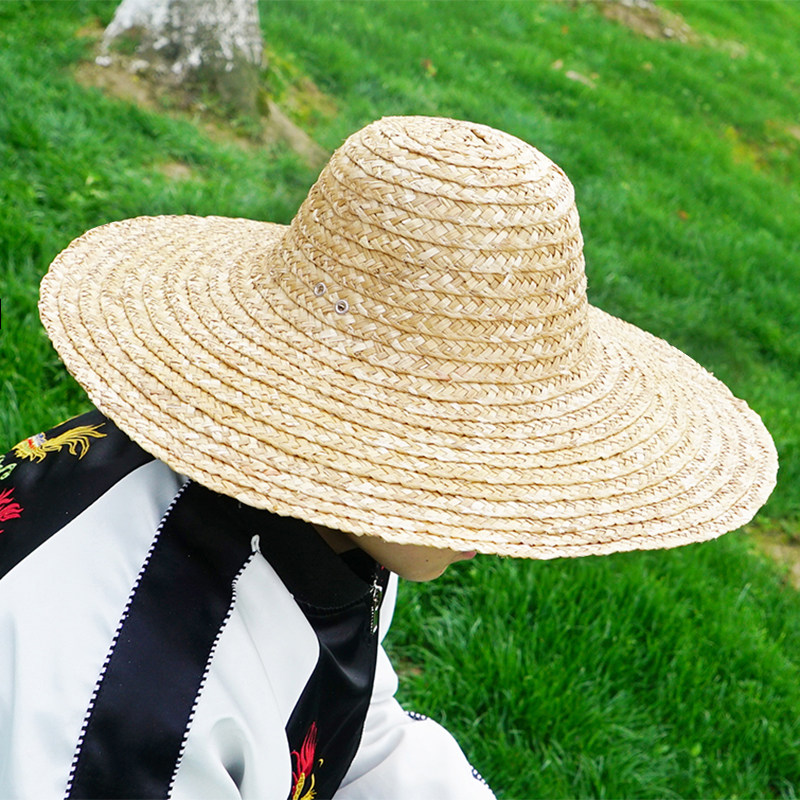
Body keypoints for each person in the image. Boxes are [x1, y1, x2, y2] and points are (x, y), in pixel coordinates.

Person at [0, 115, 777, 799]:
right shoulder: (137, 701)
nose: (503, 505)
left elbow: (348, 728)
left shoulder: (324, 502)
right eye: (463, 448)